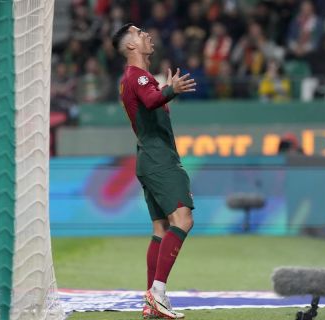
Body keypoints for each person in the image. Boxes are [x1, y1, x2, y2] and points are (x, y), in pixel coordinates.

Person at [112, 23, 196, 319]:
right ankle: (157, 292)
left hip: (147, 158)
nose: (146, 34)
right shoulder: (138, 77)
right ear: (130, 46)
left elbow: (151, 101)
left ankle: (151, 303)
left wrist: (165, 89)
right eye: (139, 33)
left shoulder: (131, 79)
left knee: (161, 228)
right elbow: (151, 99)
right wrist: (171, 89)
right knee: (183, 219)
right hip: (159, 159)